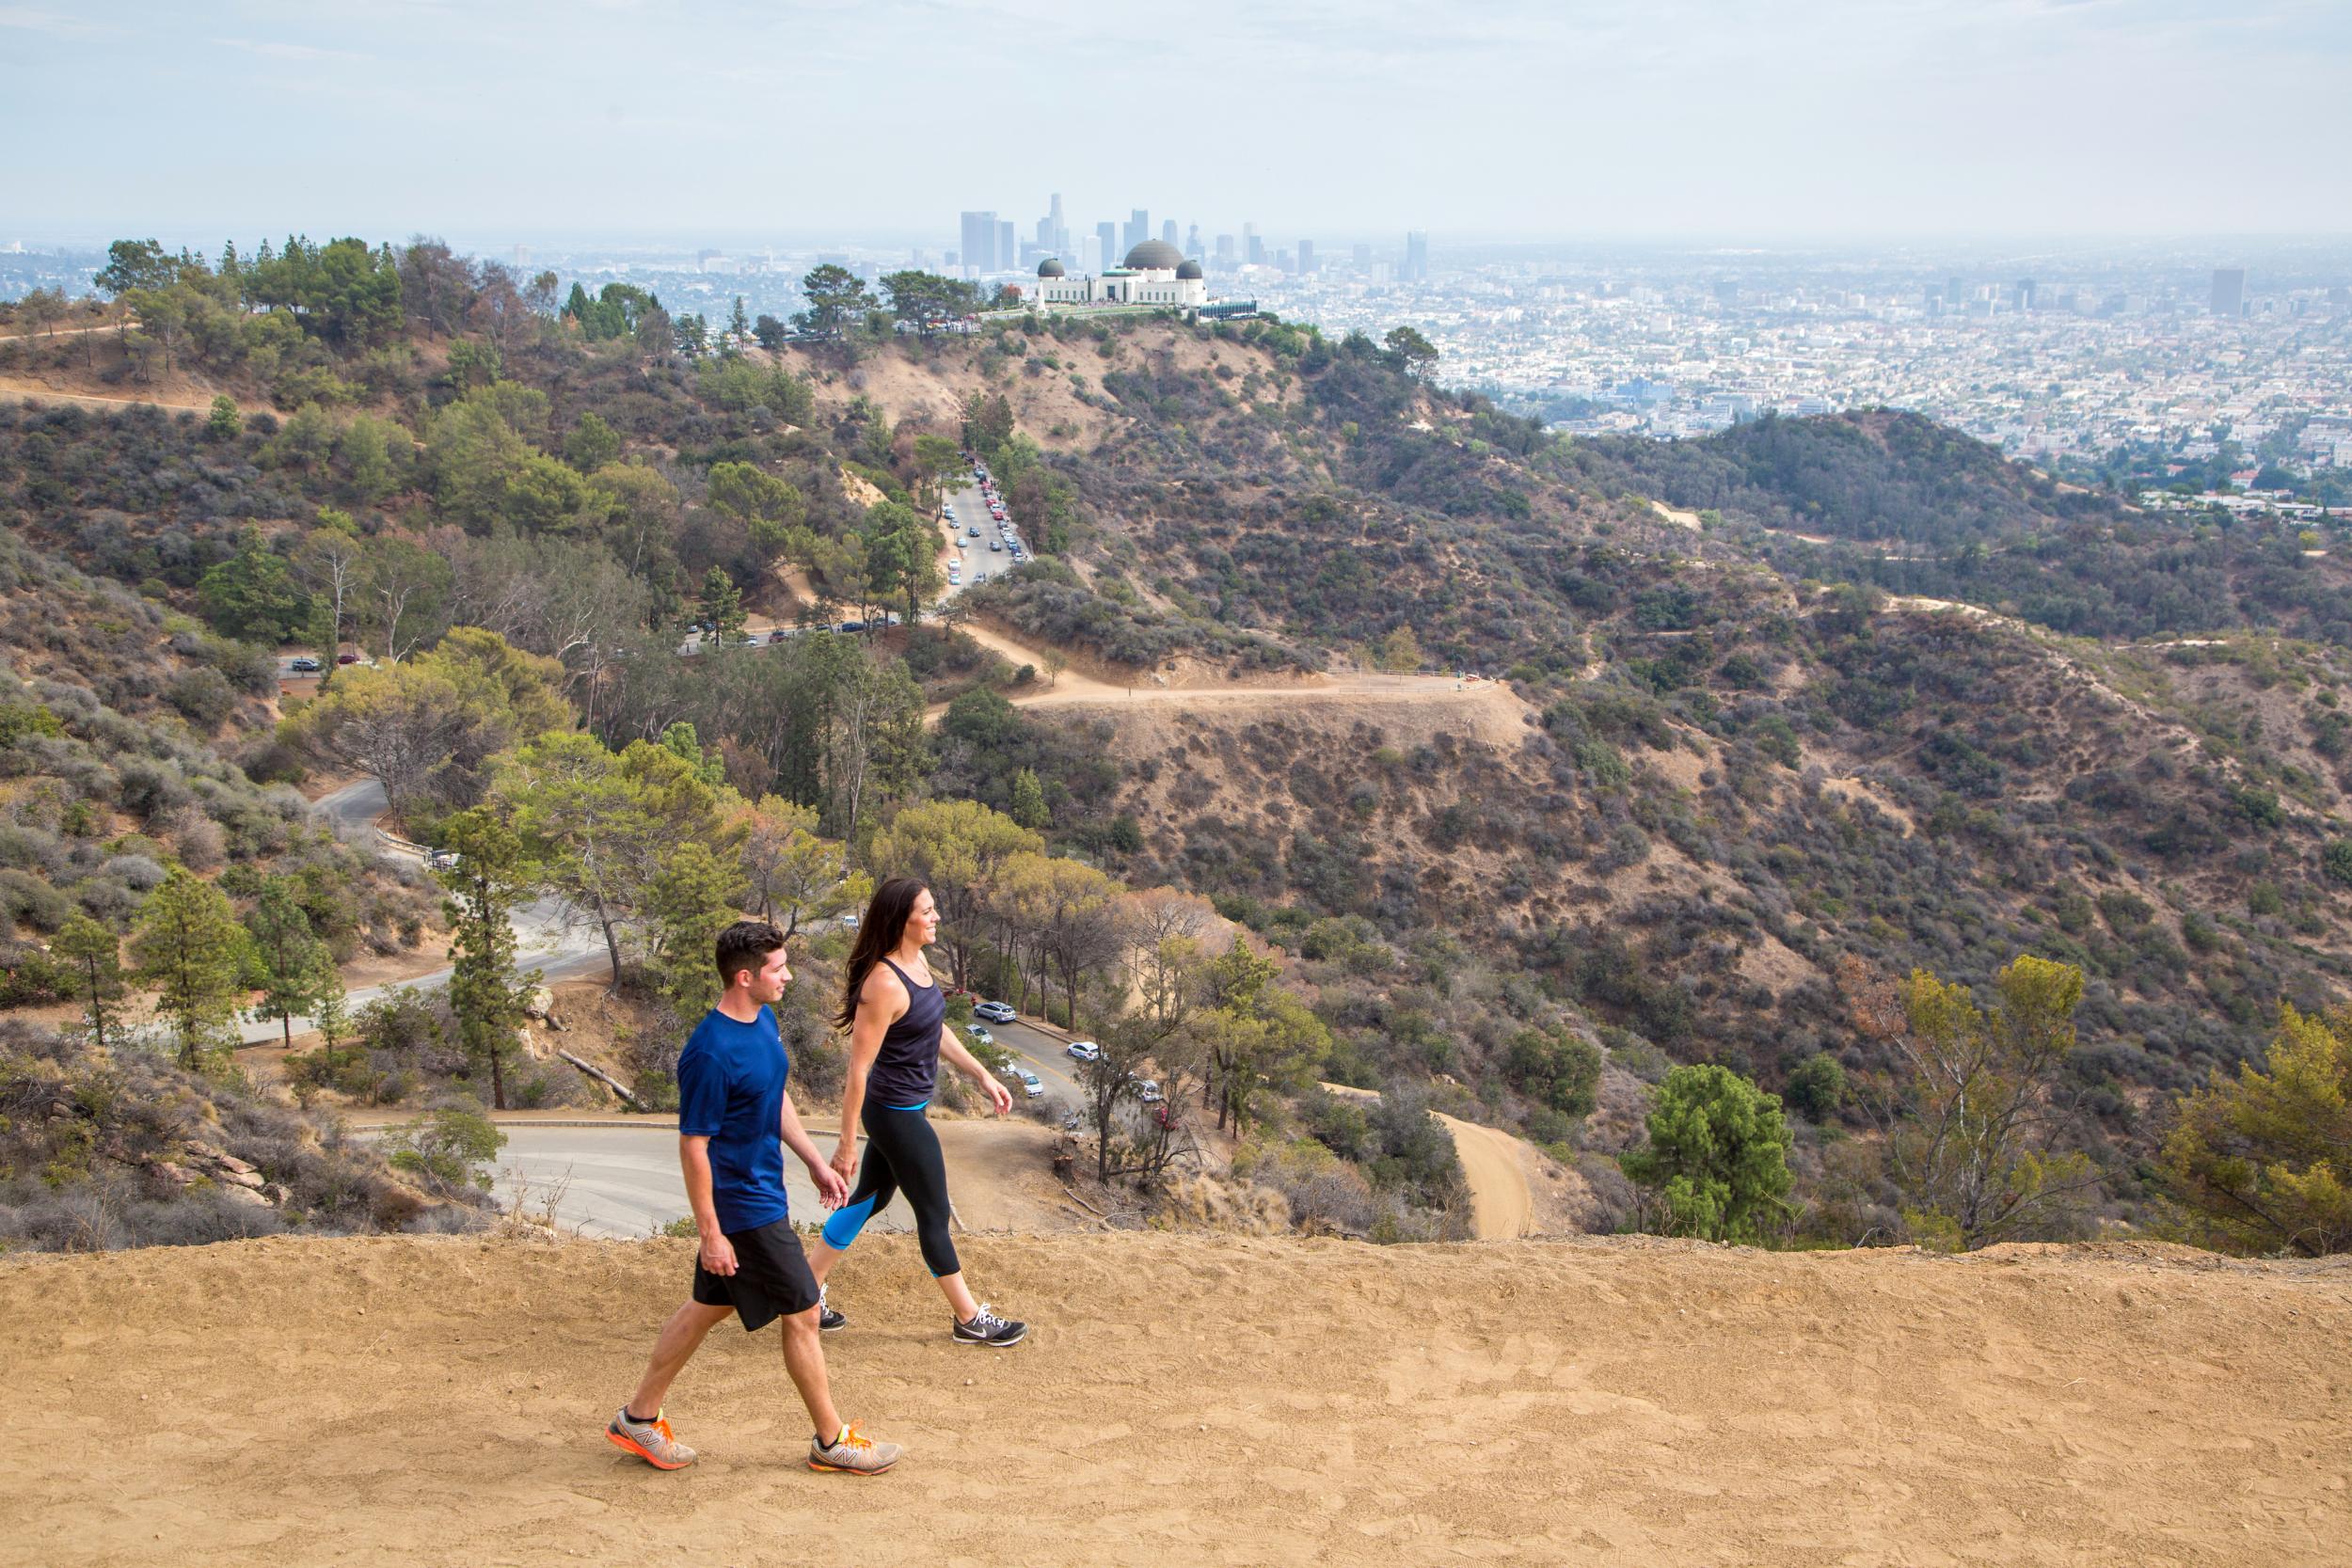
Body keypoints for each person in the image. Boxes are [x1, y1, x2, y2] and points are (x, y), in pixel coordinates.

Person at [606, 919, 903, 1476]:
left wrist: (814, 1160)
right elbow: (694, 1146)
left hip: (763, 1192)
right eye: (777, 969)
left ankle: (638, 1420)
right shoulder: (711, 1053)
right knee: (804, 1311)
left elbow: (775, 1098)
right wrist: (711, 1233)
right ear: (745, 977)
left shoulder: (761, 1021)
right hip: (744, 1209)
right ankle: (831, 1440)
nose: (788, 976)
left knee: (705, 1309)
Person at [807, 878, 1027, 1348]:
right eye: (927, 912)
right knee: (933, 1213)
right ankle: (968, 1318)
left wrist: (982, 1075)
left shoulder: (919, 962)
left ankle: (804, 1290)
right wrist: (846, 1144)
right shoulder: (883, 983)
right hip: (893, 1114)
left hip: (906, 1108)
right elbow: (857, 1071)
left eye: (933, 909)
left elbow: (935, 1027)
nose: (936, 918)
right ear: (901, 920)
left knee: (869, 1199)